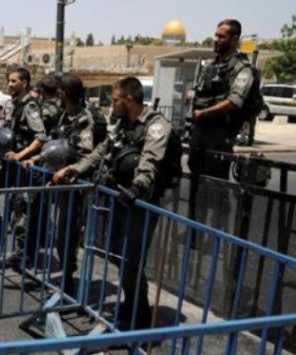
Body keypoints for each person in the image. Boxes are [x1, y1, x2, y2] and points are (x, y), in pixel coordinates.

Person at [54, 77, 173, 329]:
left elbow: (150, 161)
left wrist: (137, 187)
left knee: (131, 260)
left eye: (115, 99)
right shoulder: (123, 125)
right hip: (121, 199)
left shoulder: (156, 125)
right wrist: (76, 168)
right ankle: (132, 305)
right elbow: (101, 152)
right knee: (121, 257)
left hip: (141, 202)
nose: (111, 104)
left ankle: (138, 315)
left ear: (128, 100)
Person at [25, 75, 97, 291]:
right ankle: (66, 280)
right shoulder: (66, 116)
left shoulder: (85, 119)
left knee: (68, 236)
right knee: (61, 235)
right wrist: (35, 159)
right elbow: (55, 144)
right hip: (61, 181)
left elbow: (86, 154)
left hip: (77, 184)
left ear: (63, 94)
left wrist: (69, 170)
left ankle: (69, 284)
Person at [188, 19, 260, 230]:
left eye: (221, 36)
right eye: (216, 35)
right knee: (196, 184)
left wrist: (204, 112)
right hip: (200, 132)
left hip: (220, 136)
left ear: (234, 39)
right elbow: (202, 91)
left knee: (216, 188)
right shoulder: (212, 65)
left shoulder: (242, 68)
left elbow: (234, 102)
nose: (216, 39)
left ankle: (216, 234)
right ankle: (194, 231)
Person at [0, 68, 45, 260]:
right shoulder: (11, 104)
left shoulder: (30, 107)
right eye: (9, 81)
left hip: (25, 168)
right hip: (10, 166)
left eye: (14, 81)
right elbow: (1, 130)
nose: (10, 84)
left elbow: (40, 138)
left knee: (21, 212)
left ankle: (22, 255)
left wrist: (20, 154)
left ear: (25, 83)